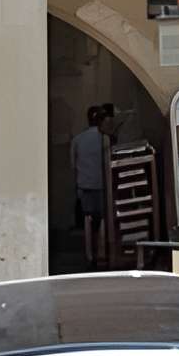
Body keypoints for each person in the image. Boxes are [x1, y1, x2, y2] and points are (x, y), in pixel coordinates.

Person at [70, 104, 110, 269]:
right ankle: (102, 253)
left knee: (87, 218)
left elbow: (73, 165)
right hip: (101, 185)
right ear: (101, 121)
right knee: (102, 218)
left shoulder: (77, 140)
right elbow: (108, 164)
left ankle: (89, 255)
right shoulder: (105, 139)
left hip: (84, 186)